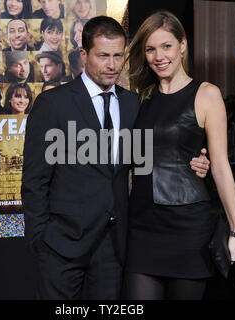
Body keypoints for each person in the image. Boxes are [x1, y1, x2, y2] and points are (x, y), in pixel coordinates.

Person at [21, 15, 209, 300]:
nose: (112, 64)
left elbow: (147, 160)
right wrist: (41, 240)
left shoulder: (133, 103)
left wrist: (194, 163)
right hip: (61, 245)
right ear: (84, 54)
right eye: (103, 56)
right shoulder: (53, 104)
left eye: (118, 55)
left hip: (113, 246)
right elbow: (34, 181)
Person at [124, 11, 235, 300]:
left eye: (166, 46)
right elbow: (130, 162)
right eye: (150, 49)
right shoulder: (139, 97)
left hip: (188, 229)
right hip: (141, 228)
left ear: (183, 45)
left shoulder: (206, 94)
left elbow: (220, 167)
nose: (158, 56)